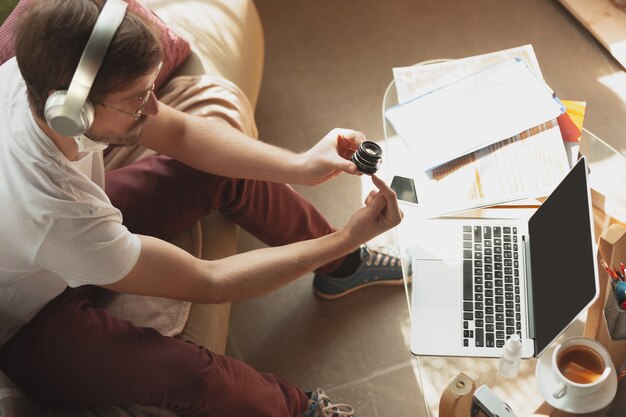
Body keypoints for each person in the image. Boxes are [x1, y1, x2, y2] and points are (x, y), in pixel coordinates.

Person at [0, 0, 403, 416]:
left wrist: (301, 165)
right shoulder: (52, 212)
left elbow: (182, 132)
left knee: (220, 172)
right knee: (182, 373)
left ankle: (344, 269)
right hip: (29, 320)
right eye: (138, 100)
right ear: (70, 112)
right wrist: (342, 238)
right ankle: (302, 411)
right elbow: (208, 281)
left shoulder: (32, 74)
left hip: (66, 237)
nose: (154, 108)